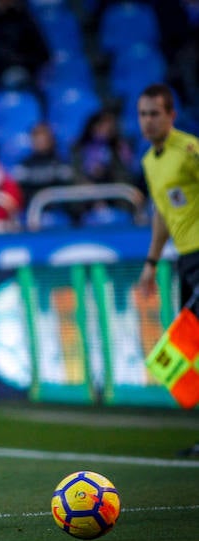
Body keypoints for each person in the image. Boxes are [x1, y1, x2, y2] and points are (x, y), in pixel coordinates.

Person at [134, 83, 199, 457]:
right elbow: (162, 213)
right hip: (185, 259)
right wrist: (151, 262)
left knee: (182, 347)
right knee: (185, 354)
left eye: (155, 113)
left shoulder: (189, 151)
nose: (148, 121)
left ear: (171, 116)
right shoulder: (149, 161)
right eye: (143, 114)